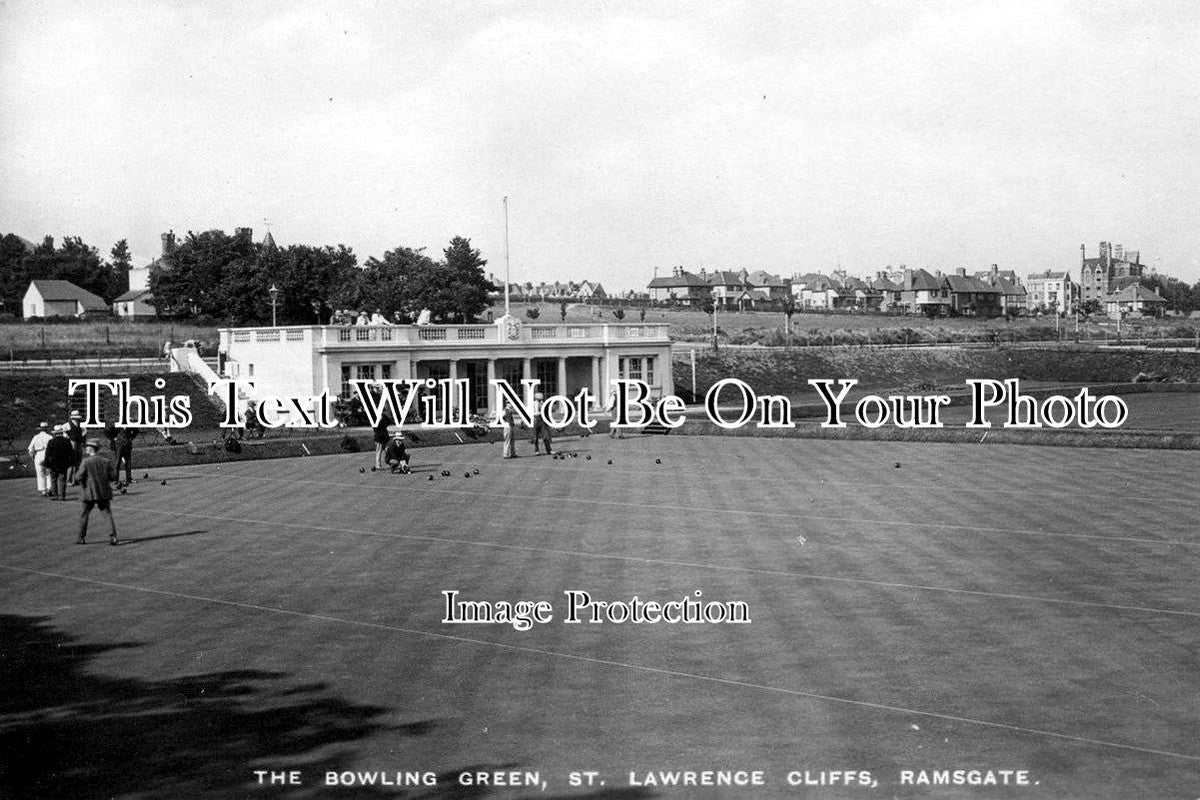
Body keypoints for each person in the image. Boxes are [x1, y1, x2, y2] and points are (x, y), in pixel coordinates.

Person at [73, 439, 119, 546]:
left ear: (90, 448)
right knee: (107, 514)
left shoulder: (86, 461)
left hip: (89, 492)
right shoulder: (105, 461)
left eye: (87, 447)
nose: (86, 448)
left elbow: (78, 476)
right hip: (103, 492)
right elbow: (113, 476)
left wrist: (81, 481)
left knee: (84, 515)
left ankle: (81, 537)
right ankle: (113, 537)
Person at [44, 425, 75, 501]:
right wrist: (71, 463)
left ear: (55, 433)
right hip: (63, 463)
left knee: (54, 480)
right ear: (61, 432)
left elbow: (47, 454)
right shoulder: (66, 441)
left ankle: (55, 495)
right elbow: (71, 453)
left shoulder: (51, 442)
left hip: (53, 464)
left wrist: (47, 464)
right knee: (62, 480)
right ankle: (62, 496)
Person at [27, 422, 52, 496]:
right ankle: (49, 488)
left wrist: (32, 456)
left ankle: (43, 490)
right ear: (47, 428)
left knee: (40, 473)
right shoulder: (49, 437)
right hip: (47, 454)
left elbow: (30, 448)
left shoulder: (36, 437)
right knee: (48, 473)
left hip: (38, 454)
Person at [65, 410, 86, 479]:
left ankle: (76, 478)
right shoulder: (67, 425)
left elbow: (84, 433)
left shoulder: (81, 425)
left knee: (78, 462)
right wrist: (68, 438)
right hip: (72, 443)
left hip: (78, 443)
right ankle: (69, 479)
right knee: (71, 462)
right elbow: (64, 433)